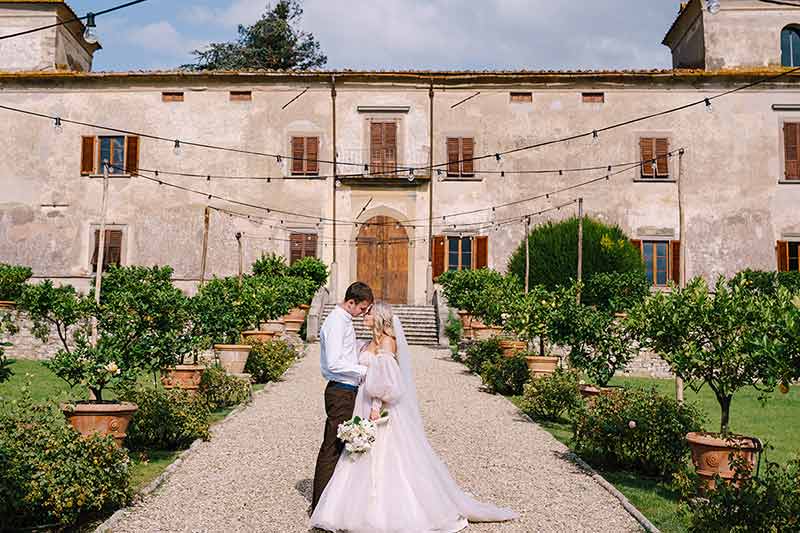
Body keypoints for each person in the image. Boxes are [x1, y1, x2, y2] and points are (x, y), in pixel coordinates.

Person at [310, 302, 518, 533]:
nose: (364, 315)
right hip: (363, 403)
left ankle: (386, 510)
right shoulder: (369, 341)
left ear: (379, 317)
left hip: (377, 408)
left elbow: (388, 383)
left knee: (386, 458)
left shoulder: (388, 343)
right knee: (359, 457)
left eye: (369, 313)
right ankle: (347, 506)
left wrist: (376, 407)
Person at [311, 281, 374, 511]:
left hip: (346, 390)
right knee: (332, 447)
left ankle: (334, 501)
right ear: (350, 302)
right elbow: (335, 363)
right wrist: (364, 371)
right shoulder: (336, 322)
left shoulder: (344, 321)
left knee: (341, 446)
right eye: (362, 308)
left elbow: (346, 350)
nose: (363, 313)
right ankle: (320, 505)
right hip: (340, 391)